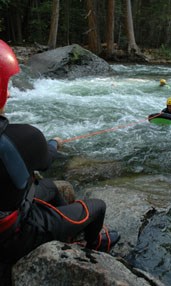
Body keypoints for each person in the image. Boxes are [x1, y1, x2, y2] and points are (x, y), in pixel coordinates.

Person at [0, 40, 120, 265]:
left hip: (10, 214)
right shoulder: (23, 137)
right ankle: (93, 244)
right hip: (14, 236)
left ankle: (67, 226)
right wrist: (54, 143)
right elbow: (45, 160)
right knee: (98, 206)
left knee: (51, 188)